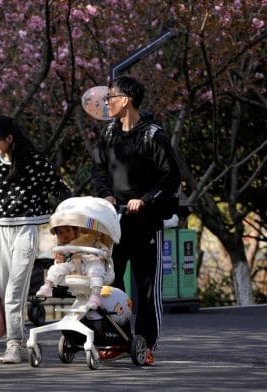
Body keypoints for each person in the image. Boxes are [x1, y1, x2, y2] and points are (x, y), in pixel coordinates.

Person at [91, 75, 181, 366]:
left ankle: (146, 343)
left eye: (111, 97)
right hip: (114, 224)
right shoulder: (107, 134)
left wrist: (144, 199)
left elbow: (170, 177)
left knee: (145, 288)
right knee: (111, 284)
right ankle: (117, 339)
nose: (107, 103)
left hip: (146, 224)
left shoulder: (153, 136)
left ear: (126, 100)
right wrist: (105, 195)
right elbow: (98, 170)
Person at [0, 115, 71, 364]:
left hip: (26, 229)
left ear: (10, 138)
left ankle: (13, 344)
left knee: (14, 292)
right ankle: (18, 344)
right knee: (3, 293)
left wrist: (75, 211)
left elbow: (59, 189)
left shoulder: (36, 162)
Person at [35, 225, 111, 309]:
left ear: (75, 231)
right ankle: (48, 286)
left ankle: (95, 296)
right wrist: (59, 259)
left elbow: (103, 248)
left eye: (68, 231)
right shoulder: (62, 248)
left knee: (96, 269)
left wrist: (104, 253)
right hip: (72, 267)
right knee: (55, 268)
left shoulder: (89, 240)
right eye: (60, 232)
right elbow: (60, 261)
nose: (65, 235)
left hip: (90, 262)